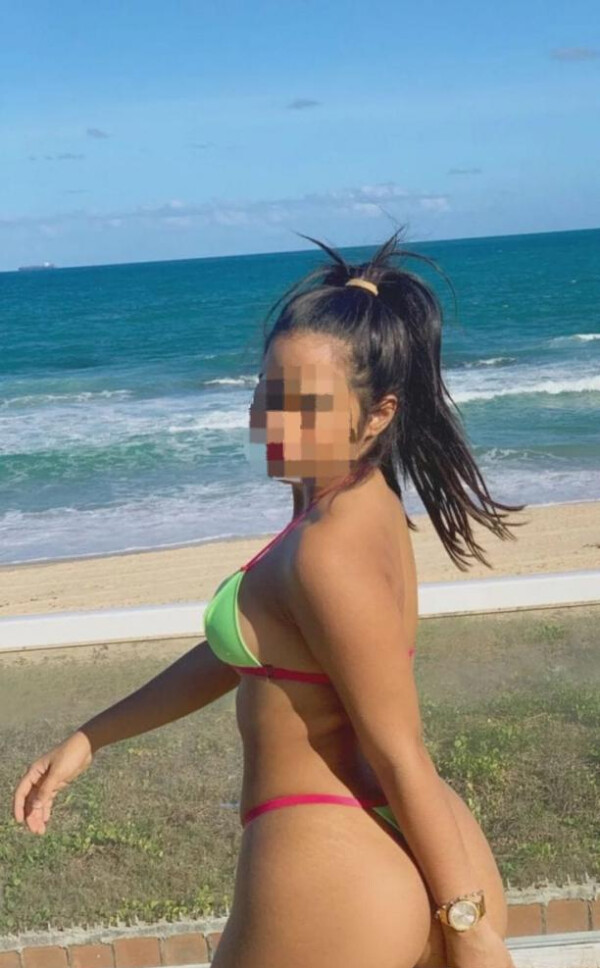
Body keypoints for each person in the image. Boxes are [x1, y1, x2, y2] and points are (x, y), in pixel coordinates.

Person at [13, 228, 524, 968]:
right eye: (267, 395)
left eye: (305, 407)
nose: (273, 425)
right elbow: (248, 651)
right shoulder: (354, 499)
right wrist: (93, 737)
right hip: (387, 851)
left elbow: (397, 745)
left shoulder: (325, 549)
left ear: (378, 414)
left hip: (331, 866)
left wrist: (467, 923)